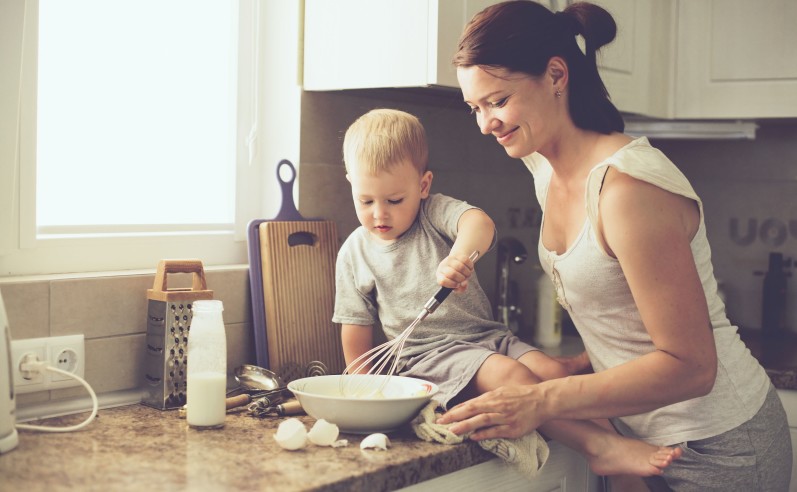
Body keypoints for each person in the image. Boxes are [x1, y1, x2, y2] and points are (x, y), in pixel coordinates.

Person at [436, 1, 793, 490]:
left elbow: (692, 368)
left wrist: (541, 400)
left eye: (497, 101)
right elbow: (625, 309)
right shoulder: (544, 165)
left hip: (721, 447)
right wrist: (584, 363)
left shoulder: (627, 190)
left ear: (556, 75)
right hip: (639, 434)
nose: (485, 124)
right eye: (474, 107)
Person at [333, 108, 680, 480]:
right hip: (429, 358)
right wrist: (368, 399)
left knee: (554, 375)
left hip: (488, 337)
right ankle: (599, 447)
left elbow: (477, 223)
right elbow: (356, 340)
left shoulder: (433, 214)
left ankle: (624, 477)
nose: (379, 214)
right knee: (511, 375)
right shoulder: (354, 254)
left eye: (394, 200)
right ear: (351, 183)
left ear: (423, 185)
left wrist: (459, 255)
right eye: (366, 201)